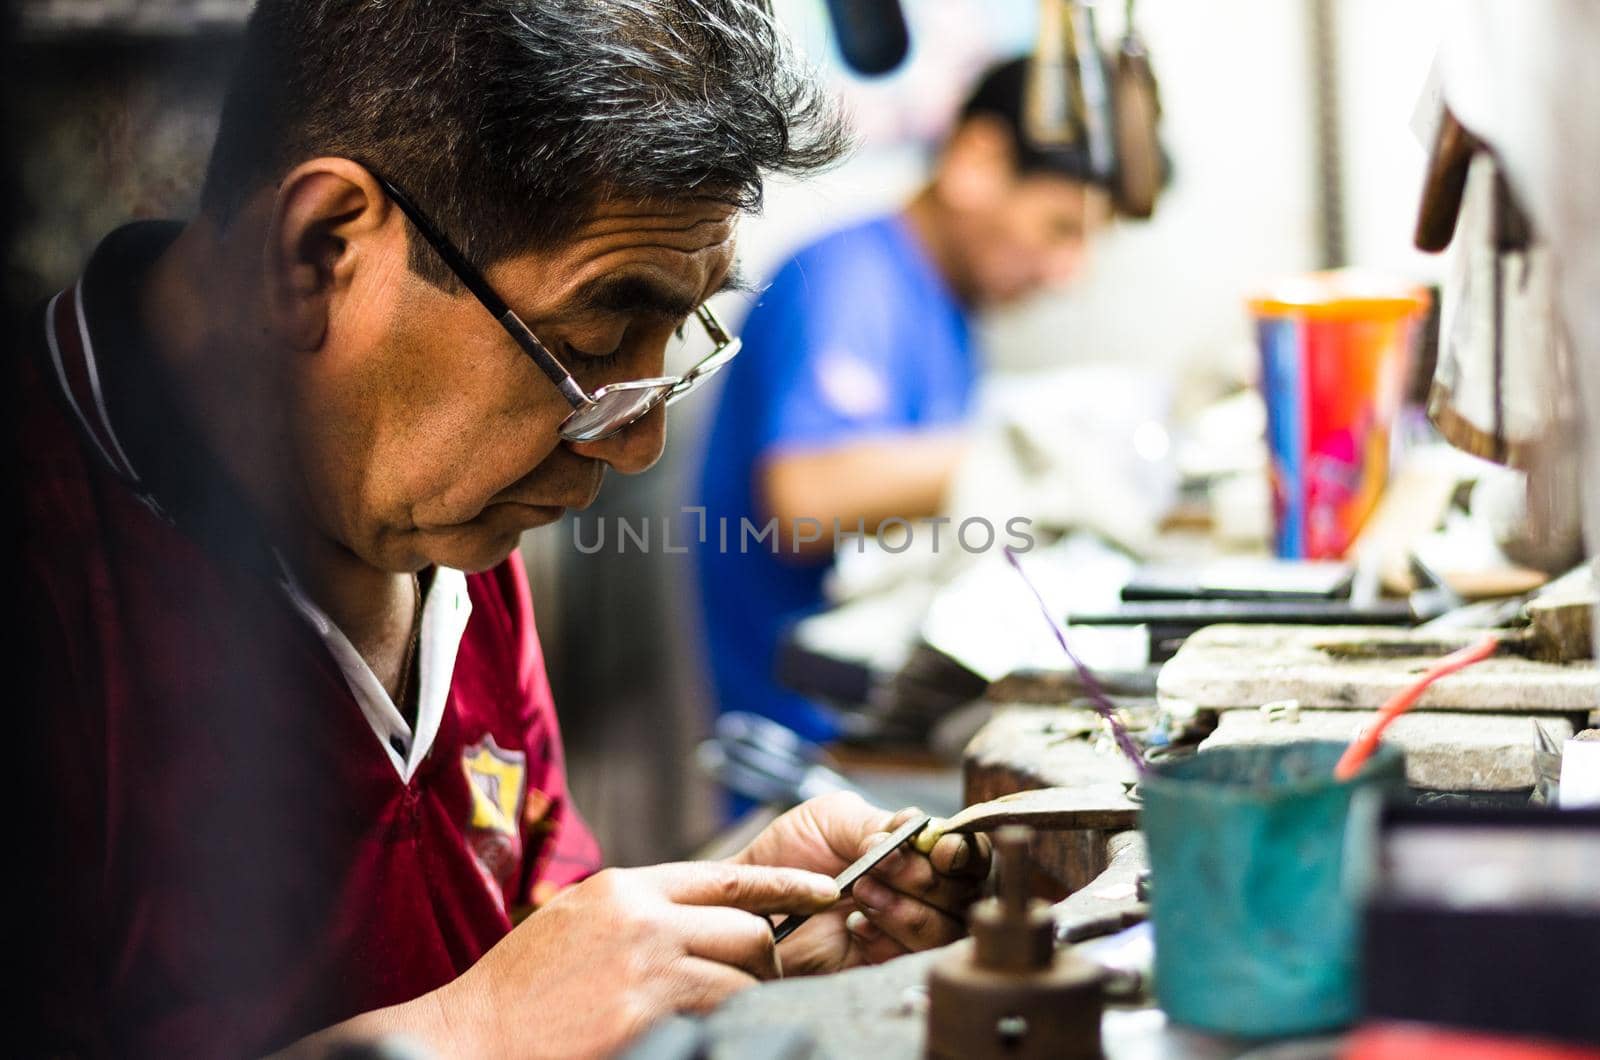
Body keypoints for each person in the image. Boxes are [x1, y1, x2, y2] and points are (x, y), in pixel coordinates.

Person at [13, 3, 990, 1056]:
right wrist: (474, 1029)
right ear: (316, 255)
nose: (635, 445)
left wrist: (737, 939)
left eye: (671, 343)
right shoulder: (57, 565)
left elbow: (518, 931)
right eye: (594, 341)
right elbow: (497, 1009)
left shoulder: (434, 523)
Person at [695, 57, 1112, 742]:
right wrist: (1019, 455)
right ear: (977, 160)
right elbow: (804, 497)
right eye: (1061, 228)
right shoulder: (849, 281)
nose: (1070, 274)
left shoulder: (947, 303)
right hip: (815, 740)